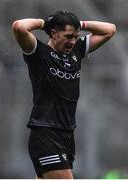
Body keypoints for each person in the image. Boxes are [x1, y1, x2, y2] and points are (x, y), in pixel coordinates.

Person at [12, 10, 116, 179]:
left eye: (76, 36)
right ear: (54, 33)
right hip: (46, 133)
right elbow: (19, 27)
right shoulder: (40, 53)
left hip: (66, 135)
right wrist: (45, 22)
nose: (72, 42)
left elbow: (110, 29)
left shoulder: (77, 51)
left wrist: (80, 24)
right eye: (68, 36)